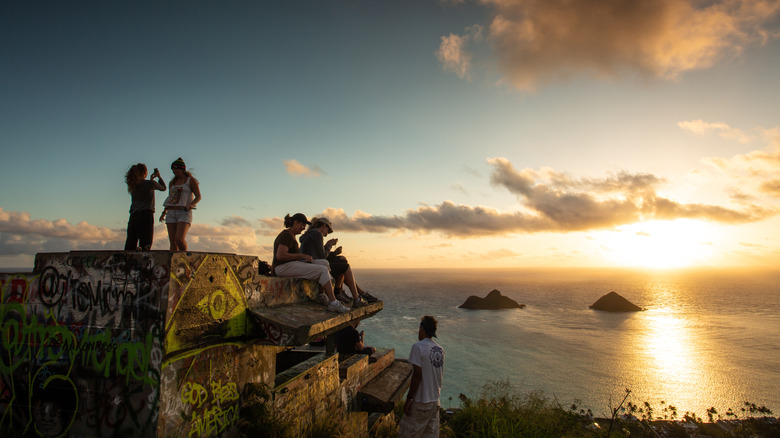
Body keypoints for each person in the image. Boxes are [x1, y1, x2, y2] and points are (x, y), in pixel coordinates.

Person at [272, 213, 350, 313]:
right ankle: (333, 303)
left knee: (324, 263)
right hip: (282, 267)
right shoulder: (286, 235)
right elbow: (280, 256)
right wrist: (301, 256)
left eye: (305, 225)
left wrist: (303, 258)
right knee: (322, 270)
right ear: (295, 222)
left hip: (289, 265)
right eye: (302, 225)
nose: (304, 228)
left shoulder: (291, 235)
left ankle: (321, 295)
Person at [299, 217, 374, 308]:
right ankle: (356, 298)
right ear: (323, 226)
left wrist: (335, 252)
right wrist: (329, 245)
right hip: (314, 265)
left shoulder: (311, 234)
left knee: (342, 259)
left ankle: (339, 291)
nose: (326, 234)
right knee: (345, 266)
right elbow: (322, 256)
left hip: (313, 262)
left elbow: (319, 254)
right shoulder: (317, 234)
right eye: (327, 230)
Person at [398, 316, 444, 438]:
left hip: (421, 401)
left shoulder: (418, 347)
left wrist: (409, 399)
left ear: (422, 329)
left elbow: (417, 375)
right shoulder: (440, 350)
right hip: (435, 402)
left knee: (406, 434)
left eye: (419, 328)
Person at [159, 157, 201, 251]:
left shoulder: (190, 181)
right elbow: (170, 199)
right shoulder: (172, 183)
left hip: (184, 212)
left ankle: (184, 259)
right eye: (172, 169)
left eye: (175, 169)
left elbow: (198, 196)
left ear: (182, 169)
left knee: (179, 239)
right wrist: (164, 212)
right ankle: (174, 263)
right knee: (173, 243)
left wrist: (191, 204)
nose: (173, 171)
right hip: (171, 212)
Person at [124, 163, 166, 251]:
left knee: (130, 243)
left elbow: (145, 188)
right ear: (145, 172)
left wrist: (151, 181)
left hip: (134, 216)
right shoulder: (150, 184)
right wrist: (159, 177)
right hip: (146, 215)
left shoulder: (133, 185)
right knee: (145, 244)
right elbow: (163, 188)